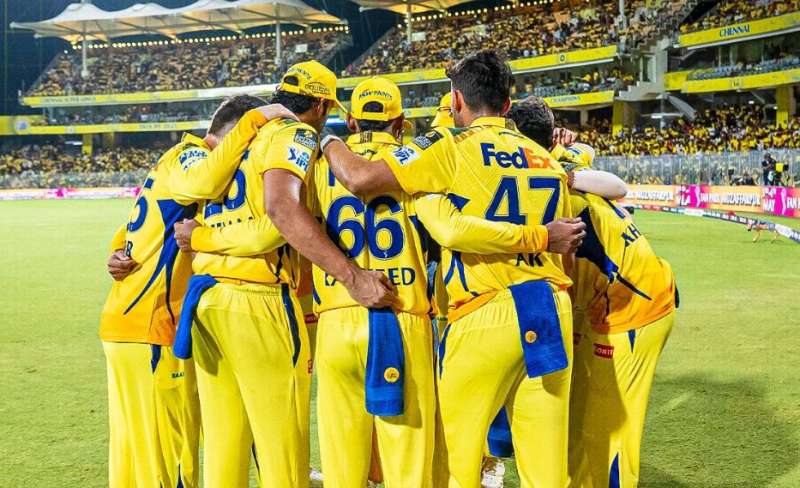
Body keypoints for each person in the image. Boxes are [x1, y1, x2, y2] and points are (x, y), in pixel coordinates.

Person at [321, 49, 579, 487]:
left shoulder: (448, 147)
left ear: (456, 100)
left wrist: (325, 139)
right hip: (552, 308)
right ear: (507, 104)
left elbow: (380, 189)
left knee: (456, 461)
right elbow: (567, 245)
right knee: (547, 468)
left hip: (484, 312)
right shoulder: (546, 159)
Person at [169, 60, 395, 487]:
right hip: (259, 300)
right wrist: (353, 277)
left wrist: (202, 238)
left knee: (224, 445)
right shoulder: (294, 132)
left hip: (209, 299)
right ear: (322, 106)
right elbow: (281, 210)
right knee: (283, 450)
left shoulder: (241, 136)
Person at [99, 95, 288, 488]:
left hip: (128, 321)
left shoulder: (172, 163)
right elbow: (204, 180)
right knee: (170, 458)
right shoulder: (192, 155)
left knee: (134, 457)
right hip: (152, 324)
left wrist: (117, 249)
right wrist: (254, 121)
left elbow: (137, 224)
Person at [508, 95, 678, 488]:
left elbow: (615, 187)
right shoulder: (557, 162)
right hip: (612, 300)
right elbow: (589, 153)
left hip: (632, 308)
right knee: (582, 414)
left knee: (607, 431)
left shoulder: (551, 186)